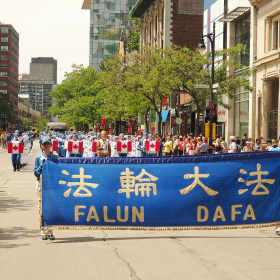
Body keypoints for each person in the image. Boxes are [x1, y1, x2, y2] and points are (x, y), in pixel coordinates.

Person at [34, 137, 59, 240]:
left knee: (52, 208)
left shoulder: (55, 157)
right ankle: (44, 231)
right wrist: (41, 164)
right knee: (43, 208)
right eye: (44, 144)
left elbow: (58, 172)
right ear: (41, 146)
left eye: (48, 144)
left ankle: (50, 231)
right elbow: (36, 173)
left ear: (51, 145)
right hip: (41, 184)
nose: (46, 146)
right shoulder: (38, 158)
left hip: (52, 185)